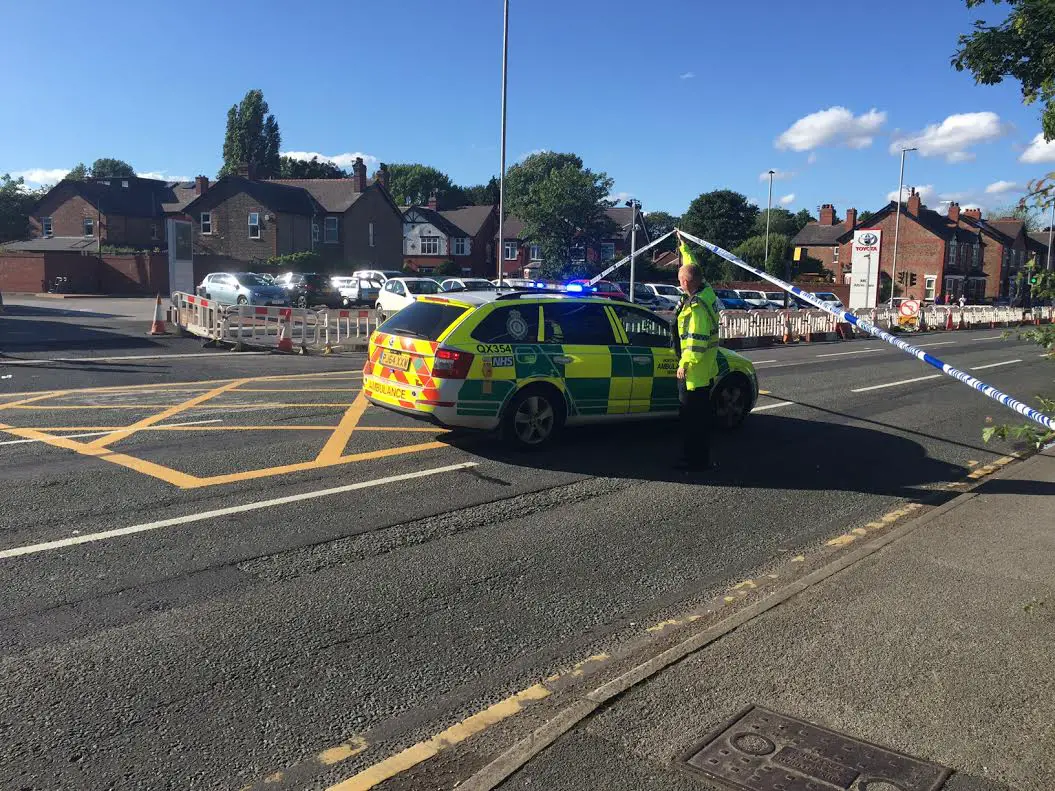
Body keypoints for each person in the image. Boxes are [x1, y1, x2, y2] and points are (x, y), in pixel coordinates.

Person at [672, 234, 721, 472]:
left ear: (684, 282)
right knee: (699, 418)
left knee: (692, 421)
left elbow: (696, 342)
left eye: (680, 279)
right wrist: (684, 246)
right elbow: (694, 268)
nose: (679, 282)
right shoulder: (706, 291)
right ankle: (700, 458)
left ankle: (694, 461)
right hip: (705, 371)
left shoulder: (697, 308)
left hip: (694, 375)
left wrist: (684, 364)